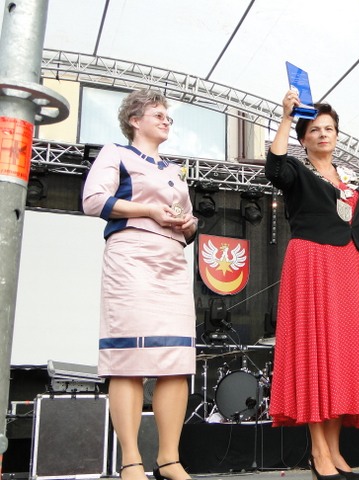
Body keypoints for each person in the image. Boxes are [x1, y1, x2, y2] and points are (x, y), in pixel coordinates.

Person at [265, 90, 359, 480]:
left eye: (329, 129)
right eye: (315, 130)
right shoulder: (298, 171)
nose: (323, 135)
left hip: (348, 267)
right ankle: (318, 453)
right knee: (315, 355)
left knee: (341, 358)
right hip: (312, 263)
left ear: (337, 135)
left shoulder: (350, 180)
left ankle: (335, 452)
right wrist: (286, 117)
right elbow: (274, 168)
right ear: (304, 139)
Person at [82, 89, 198, 480]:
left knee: (176, 360)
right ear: (135, 120)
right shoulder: (115, 153)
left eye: (168, 116)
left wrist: (189, 224)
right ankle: (131, 461)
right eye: (158, 114)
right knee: (128, 361)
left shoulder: (174, 170)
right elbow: (93, 200)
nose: (166, 120)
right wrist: (149, 209)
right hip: (131, 256)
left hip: (172, 260)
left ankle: (169, 460)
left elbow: (188, 221)